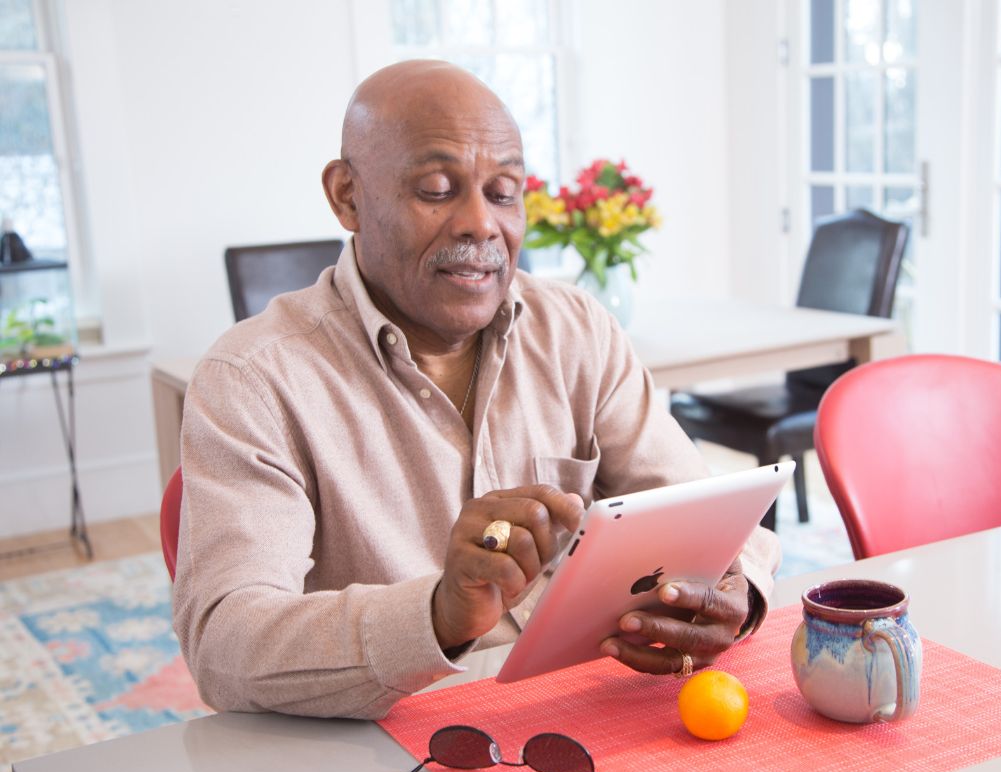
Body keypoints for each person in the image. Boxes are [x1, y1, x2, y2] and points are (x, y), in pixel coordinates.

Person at [172, 60, 781, 719]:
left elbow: (703, 512)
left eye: (503, 192)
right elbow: (225, 643)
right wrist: (437, 614)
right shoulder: (254, 379)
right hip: (386, 739)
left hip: (584, 710)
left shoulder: (576, 329)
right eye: (436, 190)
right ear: (347, 195)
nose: (480, 224)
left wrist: (734, 588)